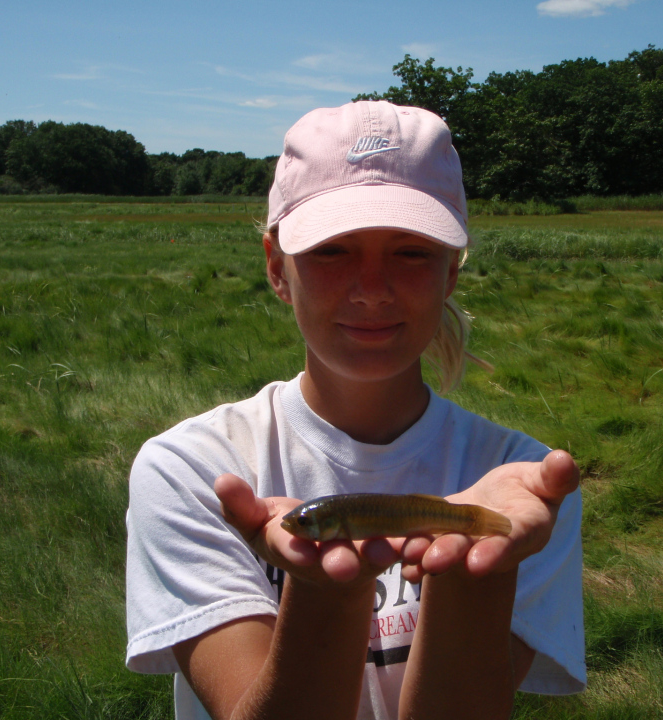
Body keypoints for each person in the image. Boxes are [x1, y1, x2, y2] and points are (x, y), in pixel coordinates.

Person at [125, 100, 586, 720]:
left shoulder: (527, 485)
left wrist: (477, 571)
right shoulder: (191, 470)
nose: (372, 288)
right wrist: (322, 591)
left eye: (413, 253)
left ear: (452, 271)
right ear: (276, 267)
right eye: (333, 251)